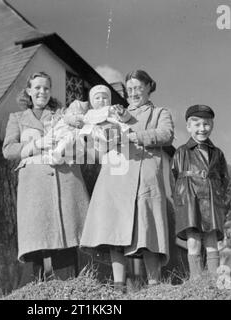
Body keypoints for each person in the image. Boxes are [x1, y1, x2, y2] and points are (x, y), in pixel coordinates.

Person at [80, 69, 174, 291]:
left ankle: (155, 287)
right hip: (115, 174)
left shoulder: (160, 112)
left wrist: (134, 136)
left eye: (138, 88)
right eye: (129, 89)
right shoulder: (113, 112)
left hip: (144, 175)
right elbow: (100, 141)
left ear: (149, 87)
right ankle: (119, 286)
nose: (133, 93)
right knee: (114, 229)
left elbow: (166, 134)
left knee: (148, 230)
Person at [2, 71, 90, 279]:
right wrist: (36, 144)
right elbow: (8, 150)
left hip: (64, 180)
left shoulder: (61, 114)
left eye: (47, 88)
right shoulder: (17, 118)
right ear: (29, 91)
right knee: (36, 238)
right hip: (34, 186)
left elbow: (80, 132)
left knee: (65, 235)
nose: (42, 91)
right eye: (38, 87)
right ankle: (36, 287)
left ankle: (68, 286)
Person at [172, 104, 229, 279]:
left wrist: (218, 195)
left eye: (206, 124)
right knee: (193, 240)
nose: (202, 129)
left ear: (212, 125)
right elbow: (174, 176)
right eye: (197, 125)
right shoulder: (181, 152)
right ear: (189, 127)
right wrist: (183, 198)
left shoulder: (217, 154)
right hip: (191, 200)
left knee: (212, 240)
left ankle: (214, 280)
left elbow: (224, 178)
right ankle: (196, 281)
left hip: (212, 200)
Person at [42, 84, 129, 165]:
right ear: (92, 101)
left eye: (105, 98)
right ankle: (57, 154)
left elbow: (124, 118)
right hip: (88, 137)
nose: (101, 100)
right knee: (70, 136)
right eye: (97, 98)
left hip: (104, 135)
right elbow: (79, 118)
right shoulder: (90, 113)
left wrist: (123, 114)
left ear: (109, 100)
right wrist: (71, 119)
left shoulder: (111, 109)